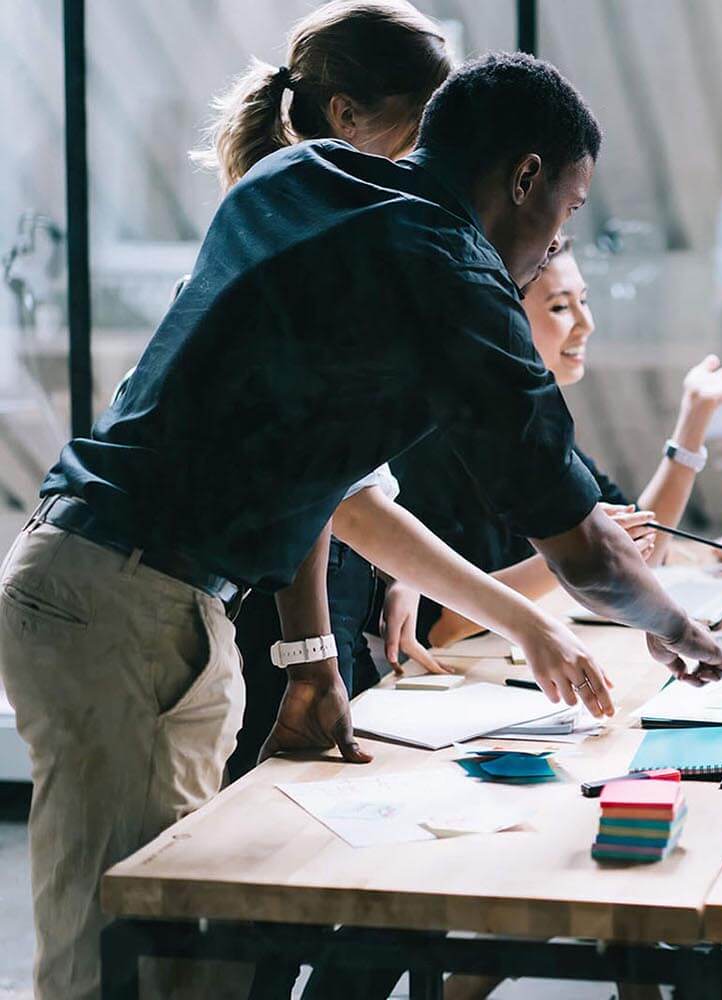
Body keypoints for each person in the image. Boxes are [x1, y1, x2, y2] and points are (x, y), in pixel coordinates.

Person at [0, 52, 722, 1000]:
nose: (556, 245)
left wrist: (312, 657)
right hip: (132, 605)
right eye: (569, 212)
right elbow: (580, 544)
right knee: (132, 963)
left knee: (184, 955)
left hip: (108, 581)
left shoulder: (300, 177)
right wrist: (681, 632)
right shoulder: (448, 271)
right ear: (526, 177)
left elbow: (332, 486)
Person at [180, 0, 459, 786]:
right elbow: (334, 494)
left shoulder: (295, 237)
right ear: (345, 115)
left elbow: (333, 480)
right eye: (419, 135)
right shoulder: (290, 259)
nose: (422, 167)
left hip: (293, 603)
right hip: (242, 605)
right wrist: (534, 627)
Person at [394, 236, 722, 648]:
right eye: (559, 306)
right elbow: (441, 625)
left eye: (584, 300)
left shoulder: (537, 428)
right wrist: (580, 555)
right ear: (499, 317)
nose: (586, 323)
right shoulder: (437, 440)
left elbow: (642, 548)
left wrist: (695, 415)